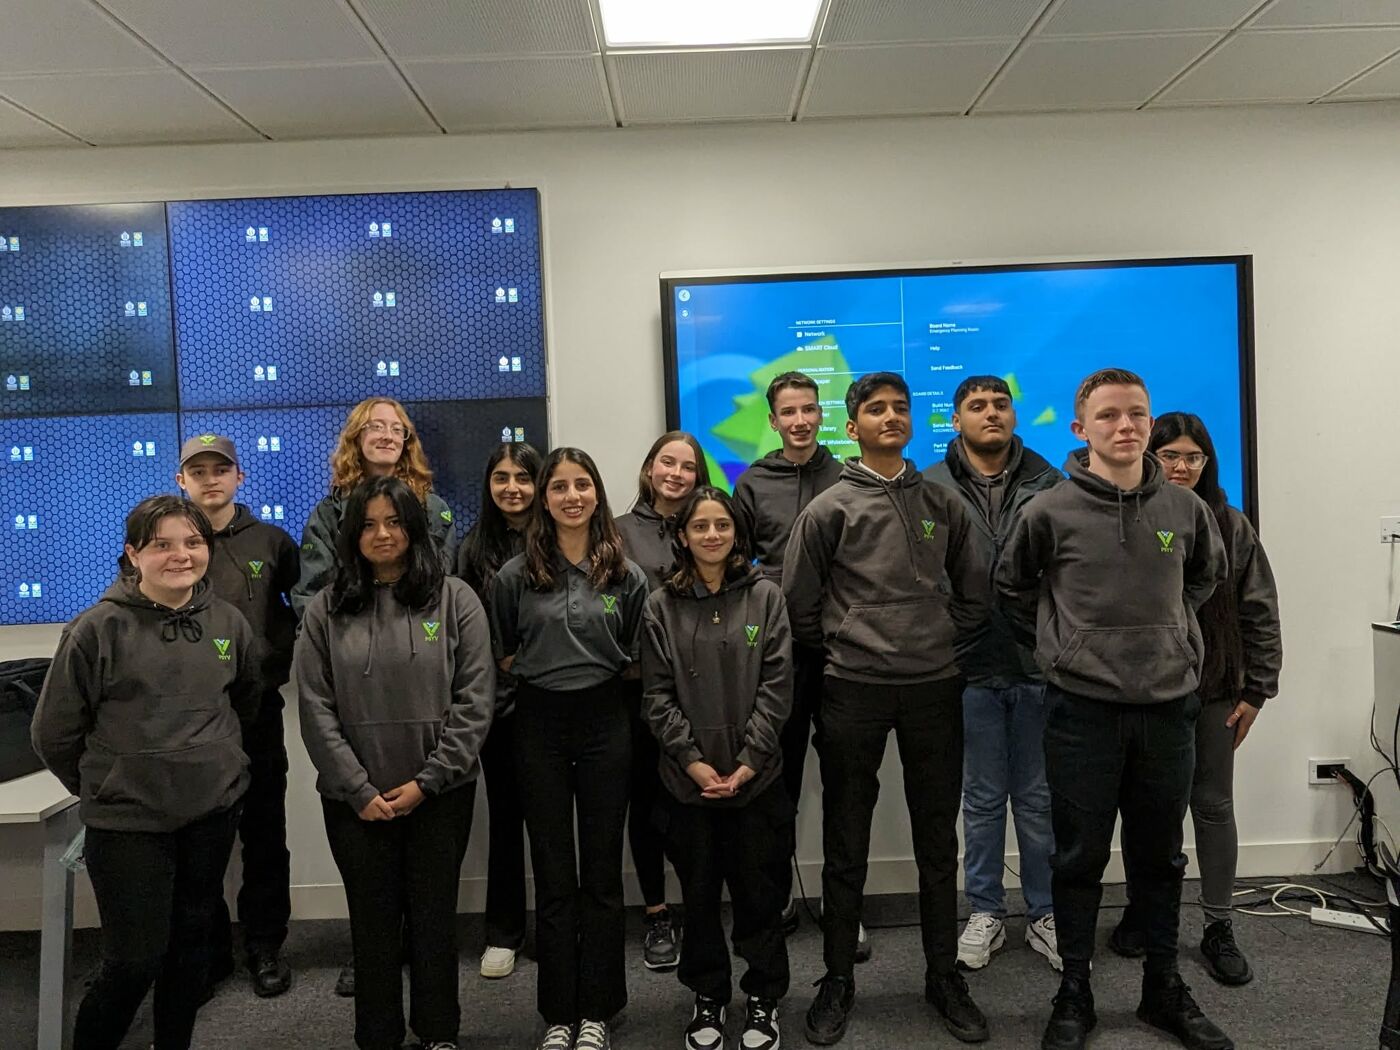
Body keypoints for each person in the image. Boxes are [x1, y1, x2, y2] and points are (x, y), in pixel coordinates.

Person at [996, 369, 1231, 1050]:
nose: (1125, 427)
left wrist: (1169, 638)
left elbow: (1204, 580)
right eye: (1108, 416)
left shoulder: (1186, 512)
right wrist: (1061, 650)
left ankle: (1165, 987)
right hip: (1081, 712)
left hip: (1167, 709)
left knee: (1160, 856)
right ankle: (1074, 989)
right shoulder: (1047, 511)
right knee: (1078, 856)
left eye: (1136, 415)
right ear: (1081, 429)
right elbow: (1012, 590)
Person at [783, 371, 992, 1046]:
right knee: (847, 842)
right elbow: (799, 609)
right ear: (854, 426)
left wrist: (934, 633)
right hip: (853, 690)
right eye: (876, 410)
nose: (891, 417)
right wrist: (854, 642)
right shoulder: (828, 510)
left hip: (935, 686)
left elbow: (973, 592)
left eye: (901, 408)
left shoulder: (942, 500)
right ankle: (839, 979)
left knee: (938, 840)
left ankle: (942, 976)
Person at [31, 496, 261, 1050]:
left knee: (191, 952)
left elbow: (245, 703)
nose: (181, 556)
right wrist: (111, 784)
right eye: (163, 545)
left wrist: (220, 768)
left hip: (209, 816)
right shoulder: (96, 630)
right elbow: (53, 734)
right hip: (128, 824)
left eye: (193, 542)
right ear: (133, 554)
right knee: (134, 961)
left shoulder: (228, 621)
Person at [297, 477, 495, 1050]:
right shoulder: (325, 610)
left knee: (435, 922)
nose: (382, 534)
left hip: (440, 794)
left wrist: (427, 782)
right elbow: (315, 706)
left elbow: (475, 700)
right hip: (353, 802)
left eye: (394, 522)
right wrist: (357, 788)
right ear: (350, 534)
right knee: (373, 926)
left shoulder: (457, 598)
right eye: (367, 524)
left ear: (414, 528)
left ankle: (438, 1032)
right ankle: (377, 1036)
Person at [290, 396, 458, 996]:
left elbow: (444, 588)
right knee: (371, 874)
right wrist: (362, 617)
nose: (387, 435)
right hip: (357, 687)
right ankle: (374, 956)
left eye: (397, 429)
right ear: (355, 439)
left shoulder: (435, 510)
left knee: (430, 875)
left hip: (423, 694)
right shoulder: (329, 512)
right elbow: (310, 596)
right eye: (374, 428)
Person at [1108, 413, 1281, 986]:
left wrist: (1257, 690)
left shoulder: (1232, 525)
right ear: (1150, 457)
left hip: (1214, 693)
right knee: (1145, 811)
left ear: (1207, 462)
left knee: (1212, 807)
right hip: (1144, 692)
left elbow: (1260, 610)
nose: (1180, 467)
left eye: (1193, 457)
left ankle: (1217, 925)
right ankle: (1142, 908)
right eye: (1170, 455)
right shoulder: (1125, 517)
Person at [490, 447, 649, 1050]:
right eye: (559, 487)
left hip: (607, 719)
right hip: (538, 723)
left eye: (582, 485)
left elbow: (636, 652)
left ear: (597, 495)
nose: (572, 496)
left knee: (603, 874)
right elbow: (504, 651)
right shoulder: (514, 575)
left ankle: (599, 1012)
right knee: (554, 875)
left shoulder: (625, 575)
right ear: (544, 499)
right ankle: (559, 1011)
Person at [642, 485, 795, 1050]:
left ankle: (763, 997)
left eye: (722, 526)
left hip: (758, 783)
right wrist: (694, 763)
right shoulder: (660, 605)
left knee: (759, 896)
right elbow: (656, 696)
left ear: (737, 534)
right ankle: (708, 997)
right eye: (700, 526)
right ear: (682, 536)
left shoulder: (767, 598)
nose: (711, 535)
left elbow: (778, 688)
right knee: (700, 896)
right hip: (689, 787)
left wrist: (751, 760)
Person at [921, 377, 1062, 973]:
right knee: (979, 801)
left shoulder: (1051, 481)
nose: (990, 413)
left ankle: (1045, 913)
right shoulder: (929, 485)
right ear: (956, 419)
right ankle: (985, 911)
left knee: (1036, 799)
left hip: (1037, 664)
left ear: (1013, 413)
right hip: (967, 666)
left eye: (1000, 404)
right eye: (976, 406)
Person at [175, 433, 300, 998]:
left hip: (257, 712)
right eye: (197, 470)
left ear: (239, 477)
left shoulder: (273, 541)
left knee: (264, 833)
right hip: (189, 719)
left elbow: (306, 612)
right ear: (181, 480)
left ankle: (264, 946)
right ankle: (207, 952)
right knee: (198, 839)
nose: (209, 479)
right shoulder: (167, 542)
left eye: (219, 469)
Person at [732, 371, 845, 939]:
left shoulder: (849, 477)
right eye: (788, 412)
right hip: (781, 658)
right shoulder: (752, 483)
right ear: (773, 421)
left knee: (846, 782)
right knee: (781, 781)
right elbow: (735, 564)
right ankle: (775, 897)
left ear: (820, 414)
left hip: (844, 654)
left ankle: (842, 906)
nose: (800, 420)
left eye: (808, 409)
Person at [615, 431, 711, 971]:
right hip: (636, 690)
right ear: (650, 468)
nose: (676, 473)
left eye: (688, 467)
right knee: (646, 806)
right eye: (667, 463)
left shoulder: (713, 523)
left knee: (691, 804)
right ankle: (656, 913)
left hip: (705, 688)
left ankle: (700, 907)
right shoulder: (619, 532)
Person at [454, 441, 544, 980]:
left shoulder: (560, 538)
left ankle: (561, 926)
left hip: (558, 702)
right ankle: (504, 932)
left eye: (524, 477)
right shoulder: (471, 548)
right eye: (501, 477)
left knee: (557, 824)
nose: (512, 487)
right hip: (499, 707)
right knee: (507, 822)